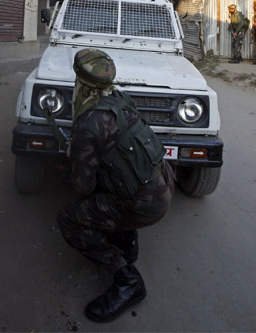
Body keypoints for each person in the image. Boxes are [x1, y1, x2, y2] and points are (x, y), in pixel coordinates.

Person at [57, 48, 175, 323]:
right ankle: (128, 242)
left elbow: (82, 187)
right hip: (163, 182)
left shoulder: (89, 123)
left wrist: (74, 158)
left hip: (145, 203)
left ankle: (127, 280)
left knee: (69, 219)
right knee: (112, 185)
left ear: (80, 82)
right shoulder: (121, 99)